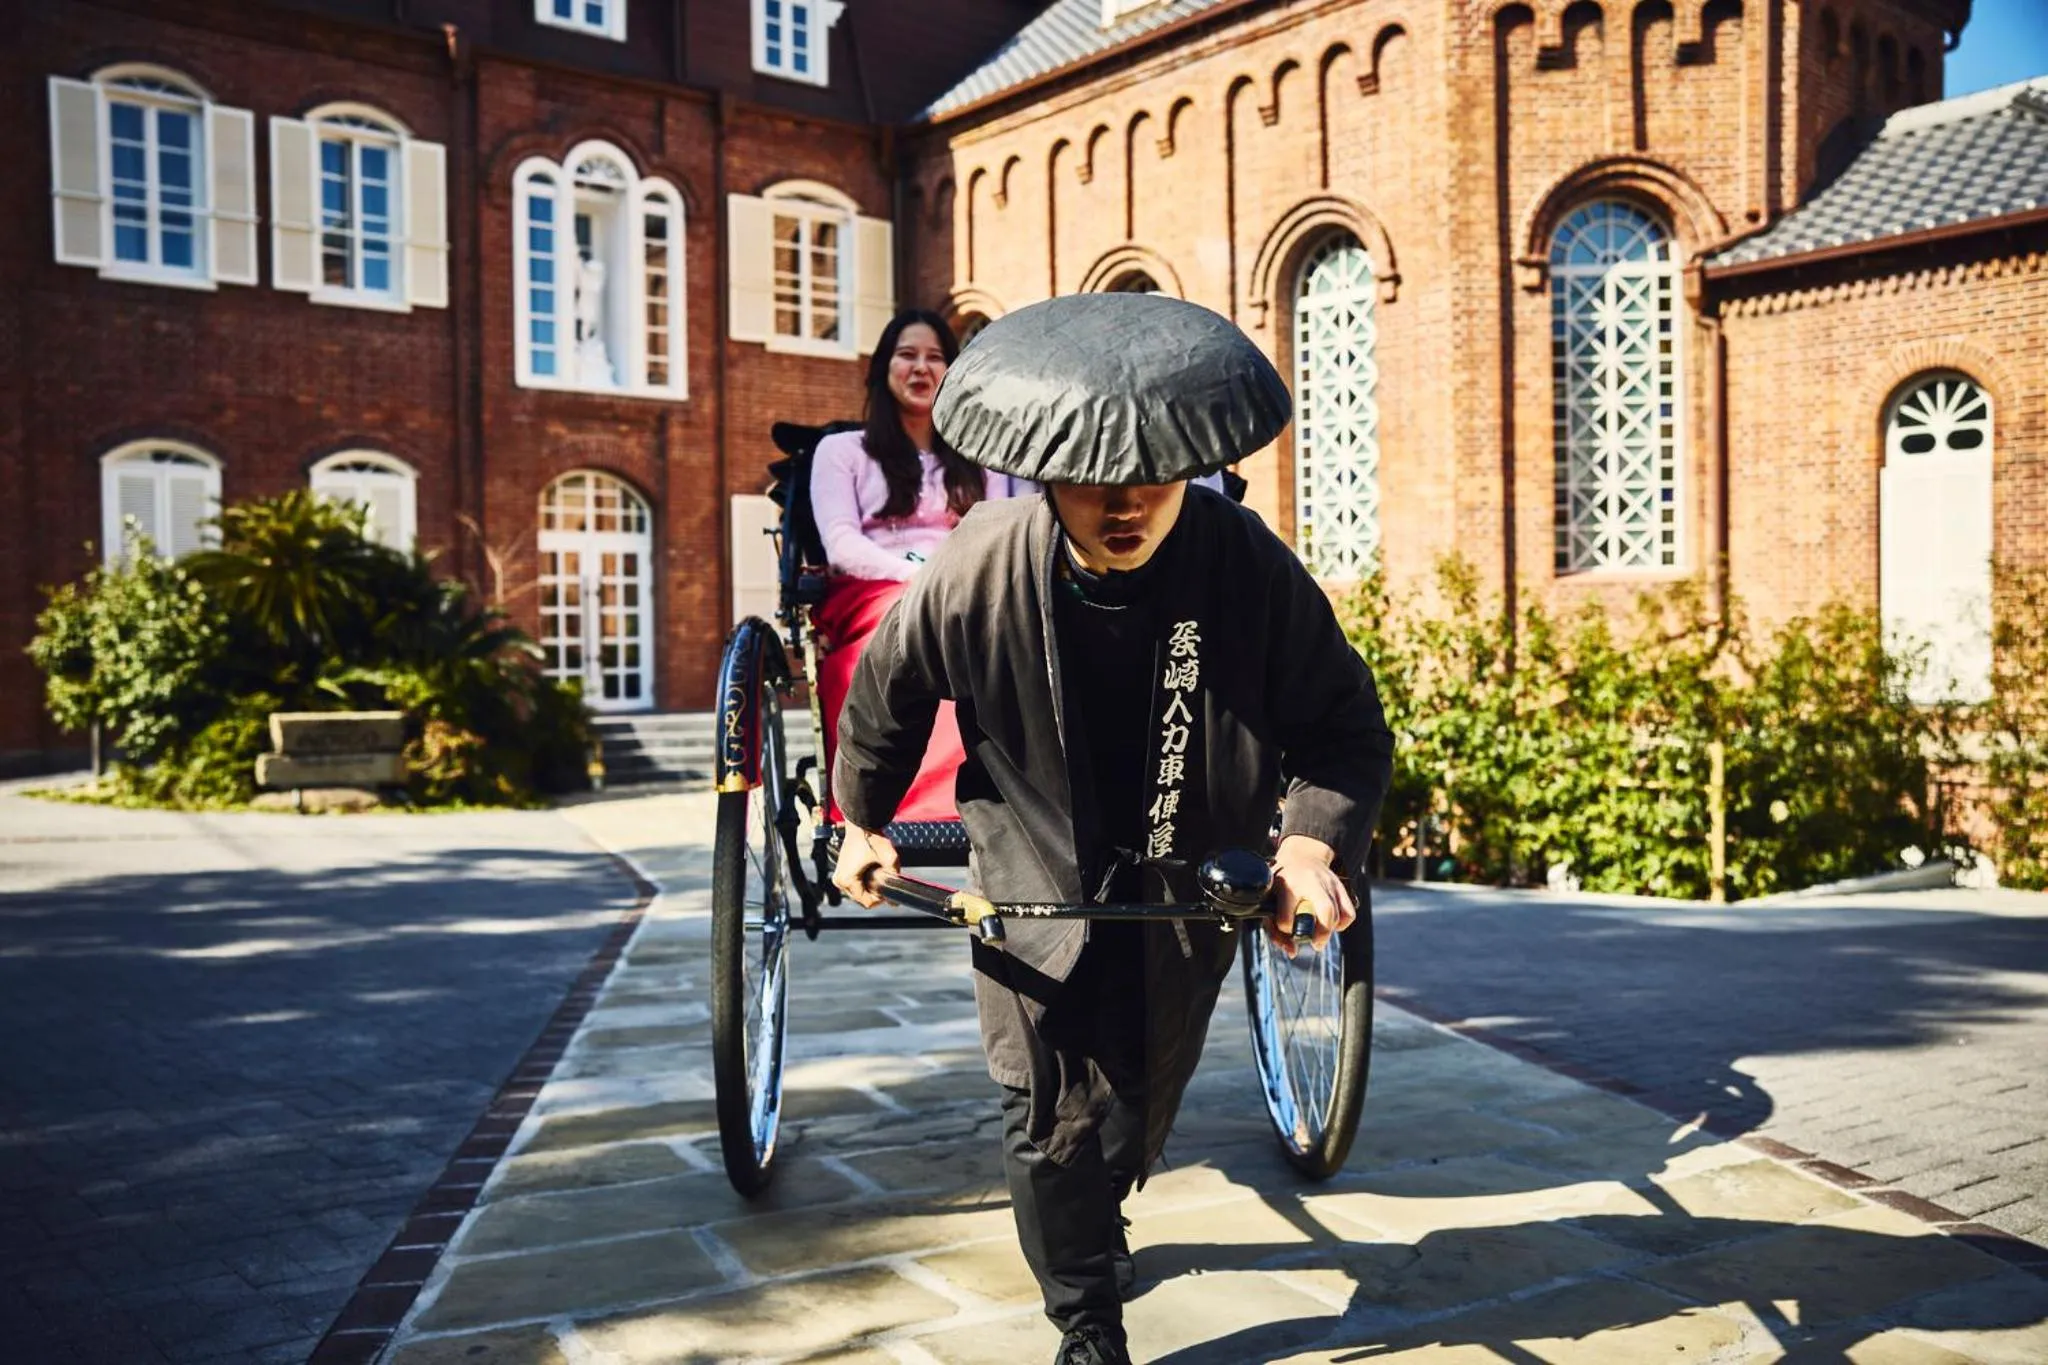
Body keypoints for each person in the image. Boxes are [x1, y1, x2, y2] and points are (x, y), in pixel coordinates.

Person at [828, 294, 1395, 1365]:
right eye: (1091, 482)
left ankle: (1103, 1203)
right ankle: (1084, 1323)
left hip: (1187, 872)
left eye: (1153, 478)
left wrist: (1310, 847)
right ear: (1043, 473)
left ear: (1193, 462)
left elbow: (1341, 726)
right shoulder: (978, 565)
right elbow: (886, 699)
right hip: (1031, 876)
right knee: (1043, 1103)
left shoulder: (1242, 563)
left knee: (1134, 1092)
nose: (1124, 503)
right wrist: (860, 820)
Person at [808, 308, 1032, 821]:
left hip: (964, 587)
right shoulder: (842, 452)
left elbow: (997, 529)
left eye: (935, 357)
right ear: (883, 368)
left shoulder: (979, 459)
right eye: (906, 355)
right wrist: (919, 578)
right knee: (906, 621)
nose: (921, 368)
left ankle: (998, 795)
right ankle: (898, 803)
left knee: (1009, 632)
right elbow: (841, 543)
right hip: (873, 588)